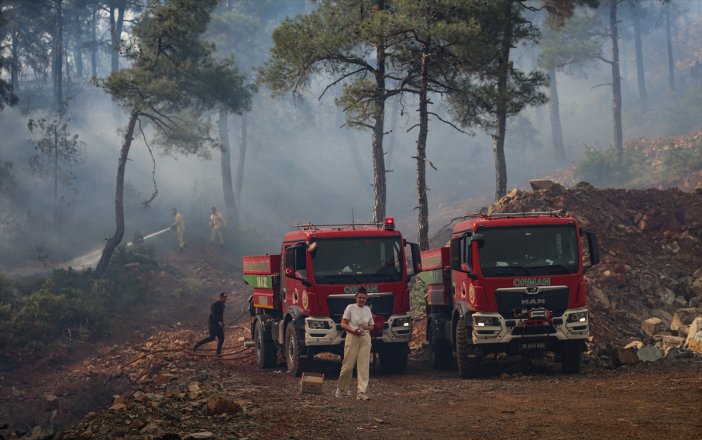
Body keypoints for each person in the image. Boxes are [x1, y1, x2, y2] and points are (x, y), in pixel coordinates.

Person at [336, 287, 374, 400]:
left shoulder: (367, 309)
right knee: (348, 365)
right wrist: (352, 330)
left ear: (366, 299)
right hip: (352, 336)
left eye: (364, 298)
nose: (361, 299)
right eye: (359, 297)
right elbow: (343, 323)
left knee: (364, 366)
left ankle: (361, 392)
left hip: (364, 337)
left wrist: (364, 327)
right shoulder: (350, 308)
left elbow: (372, 326)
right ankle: (341, 389)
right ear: (356, 298)